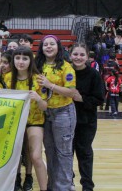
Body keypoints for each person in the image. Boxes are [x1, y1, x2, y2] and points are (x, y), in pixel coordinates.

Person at [35, 35, 77, 191]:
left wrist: (50, 85)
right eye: (45, 44)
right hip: (45, 113)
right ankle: (53, 186)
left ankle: (65, 187)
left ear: (58, 47)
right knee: (50, 151)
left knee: (64, 153)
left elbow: (71, 92)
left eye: (52, 44)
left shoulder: (66, 67)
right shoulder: (37, 64)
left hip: (63, 113)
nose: (48, 46)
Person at [5, 47, 47, 191]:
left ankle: (39, 184)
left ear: (31, 60)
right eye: (17, 58)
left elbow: (45, 107)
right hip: (14, 121)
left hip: (34, 121)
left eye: (25, 58)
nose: (21, 62)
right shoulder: (7, 77)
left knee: (35, 155)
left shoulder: (39, 79)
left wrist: (39, 99)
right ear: (13, 60)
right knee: (14, 153)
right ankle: (16, 179)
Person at [70, 43, 104, 191]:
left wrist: (81, 99)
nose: (78, 57)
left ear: (87, 56)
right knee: (66, 153)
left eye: (81, 55)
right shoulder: (66, 71)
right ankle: (68, 181)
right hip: (66, 120)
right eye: (75, 54)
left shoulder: (94, 75)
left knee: (84, 153)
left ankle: (87, 185)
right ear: (70, 55)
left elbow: (99, 99)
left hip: (86, 121)